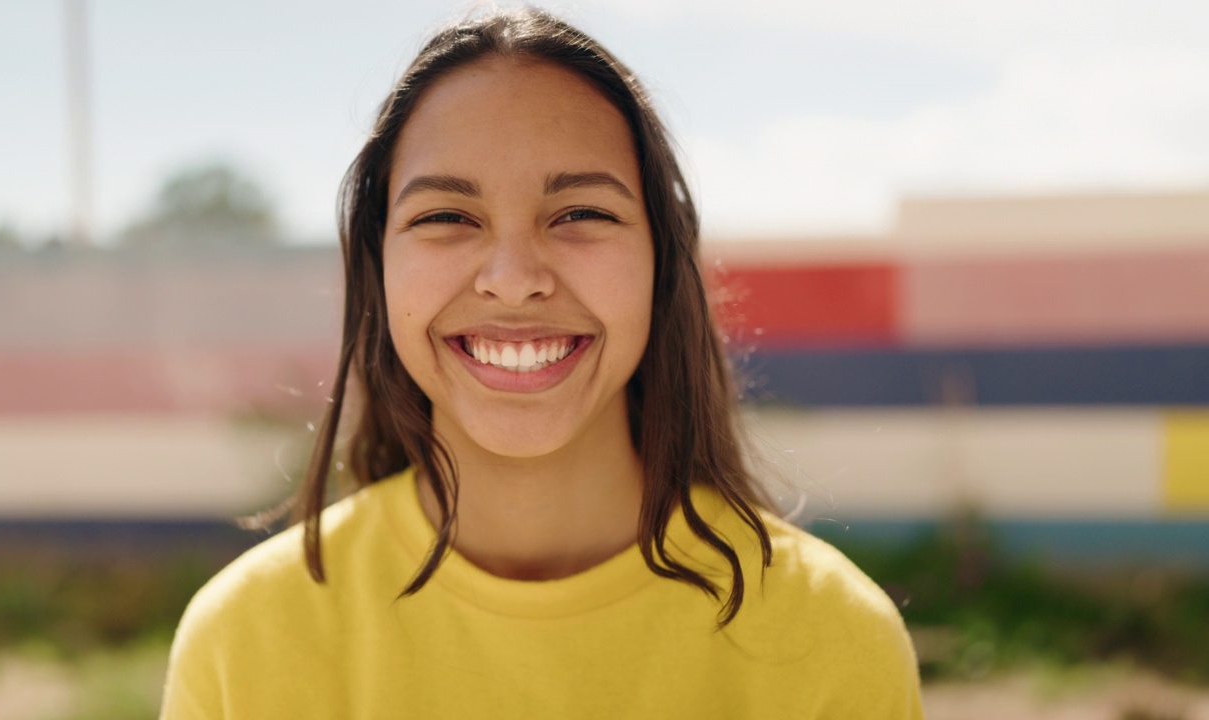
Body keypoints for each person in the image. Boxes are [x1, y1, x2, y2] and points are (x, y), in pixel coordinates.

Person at [160, 8, 923, 719]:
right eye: (447, 217)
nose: (514, 276)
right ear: (378, 266)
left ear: (660, 258)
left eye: (581, 213)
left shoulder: (830, 637)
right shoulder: (245, 640)